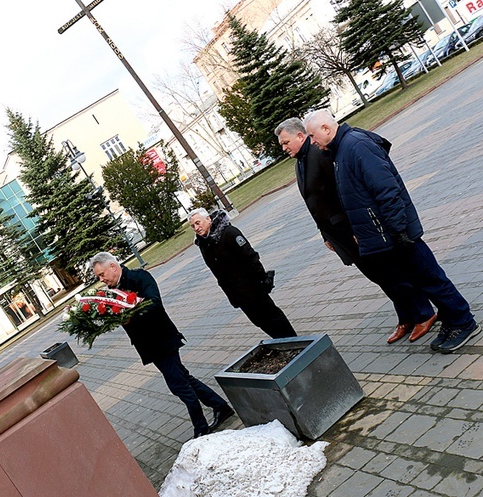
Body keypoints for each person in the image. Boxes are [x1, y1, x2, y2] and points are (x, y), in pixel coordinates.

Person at [304, 109, 479, 353]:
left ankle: (463, 321)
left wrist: (398, 231)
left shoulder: (356, 146)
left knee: (431, 278)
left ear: (326, 128)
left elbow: (388, 190)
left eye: (312, 136)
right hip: (387, 234)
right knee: (423, 280)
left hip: (398, 233)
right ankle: (451, 320)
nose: (311, 142)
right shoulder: (341, 150)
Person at [274, 117, 437, 344]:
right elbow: (316, 203)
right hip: (340, 235)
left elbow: (346, 192)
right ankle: (406, 317)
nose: (284, 148)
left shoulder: (319, 155)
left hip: (355, 230)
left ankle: (424, 313)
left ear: (300, 136)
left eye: (285, 142)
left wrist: (357, 228)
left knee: (390, 273)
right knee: (380, 278)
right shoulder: (301, 161)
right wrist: (326, 236)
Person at [90, 252, 233, 438]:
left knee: (178, 385)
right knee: (184, 378)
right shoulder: (114, 291)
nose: (101, 280)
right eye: (98, 277)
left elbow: (155, 303)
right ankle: (221, 407)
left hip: (162, 339)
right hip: (149, 346)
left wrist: (131, 313)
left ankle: (201, 428)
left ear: (113, 267)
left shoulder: (139, 277)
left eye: (102, 274)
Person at [188, 208, 297, 339]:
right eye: (193, 226)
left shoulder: (228, 233)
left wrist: (262, 279)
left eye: (198, 223)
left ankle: (294, 341)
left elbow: (250, 256)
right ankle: (282, 343)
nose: (196, 228)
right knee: (259, 321)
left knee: (272, 316)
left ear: (208, 219)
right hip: (237, 294)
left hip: (253, 287)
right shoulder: (203, 243)